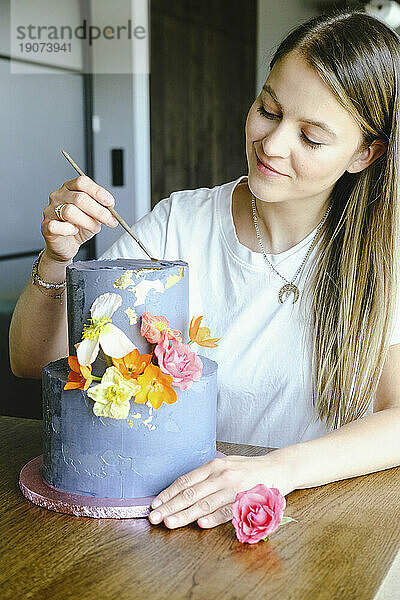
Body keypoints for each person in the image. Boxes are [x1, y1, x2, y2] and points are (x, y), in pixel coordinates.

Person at [9, 9, 400, 531]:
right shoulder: (180, 225)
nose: (273, 144)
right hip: (169, 520)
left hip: (313, 526)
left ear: (363, 154)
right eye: (268, 109)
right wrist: (58, 259)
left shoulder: (380, 256)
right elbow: (35, 362)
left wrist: (276, 470)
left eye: (311, 137)